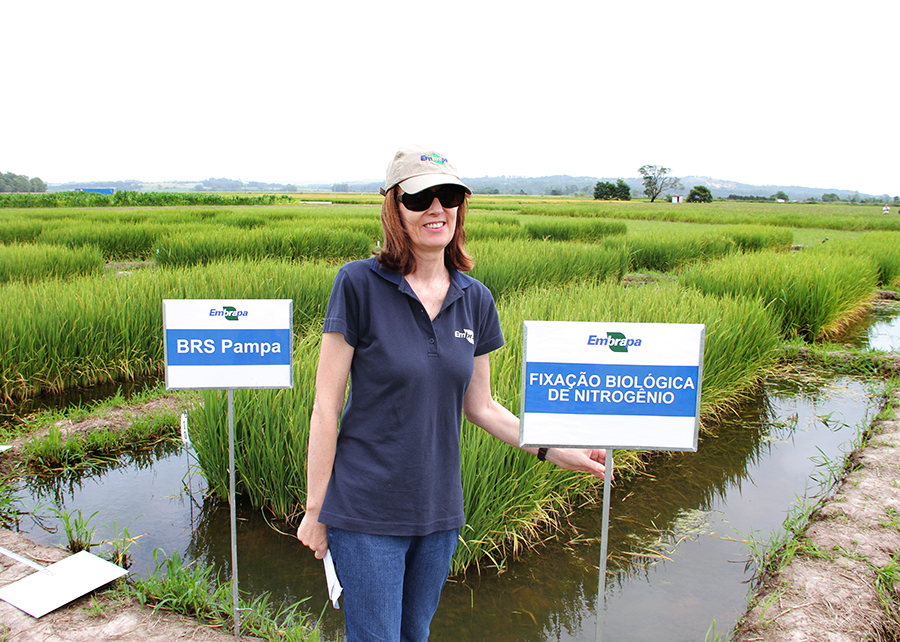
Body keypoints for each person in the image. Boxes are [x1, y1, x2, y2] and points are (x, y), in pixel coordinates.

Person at [296, 146, 608, 642]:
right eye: (421, 198)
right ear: (395, 206)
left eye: (448, 196)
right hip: (365, 509)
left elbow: (482, 407)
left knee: (415, 634)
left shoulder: (475, 298)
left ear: (461, 207)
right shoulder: (357, 283)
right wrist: (315, 511)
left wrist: (554, 448)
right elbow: (325, 409)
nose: (436, 209)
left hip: (439, 511)